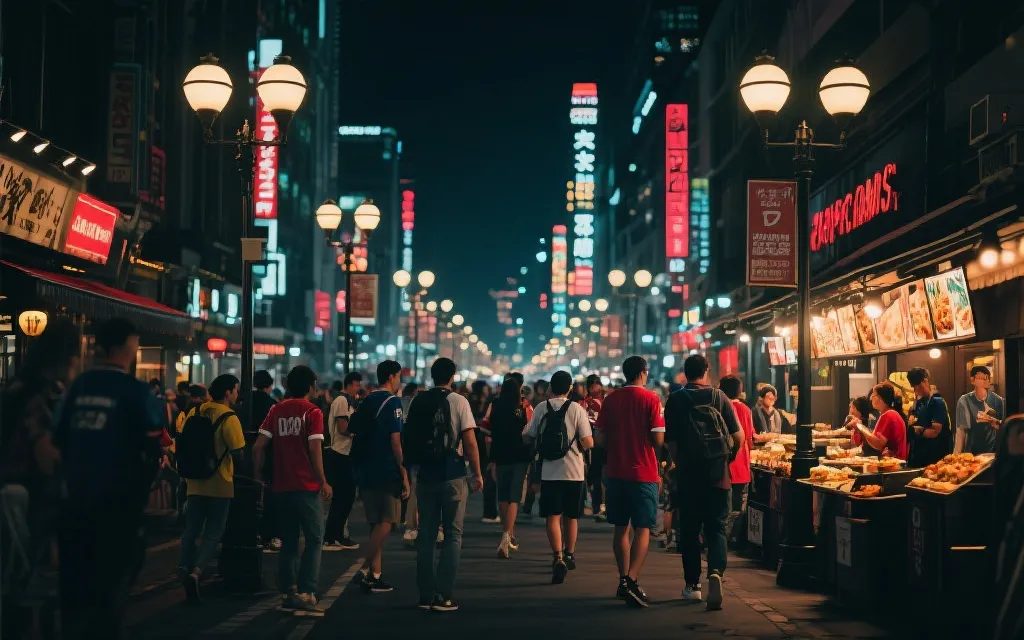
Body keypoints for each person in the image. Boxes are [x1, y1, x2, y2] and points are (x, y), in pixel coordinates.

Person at [52, 318, 165, 639]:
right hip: (119, 509)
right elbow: (153, 443)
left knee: (74, 594)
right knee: (109, 597)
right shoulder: (137, 392)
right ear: (125, 346)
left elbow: (57, 440)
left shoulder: (79, 387)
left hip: (72, 507)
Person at [0, 318, 80, 640]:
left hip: (11, 494)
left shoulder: (14, 388)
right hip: (29, 499)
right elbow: (47, 457)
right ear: (65, 358)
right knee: (33, 584)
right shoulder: (41, 397)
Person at [663, 356, 743, 611]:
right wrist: (727, 458)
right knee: (717, 528)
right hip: (718, 475)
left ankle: (692, 586)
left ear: (685, 374)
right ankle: (716, 573)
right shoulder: (720, 398)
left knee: (688, 530)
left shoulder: (675, 400)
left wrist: (681, 464)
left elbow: (671, 443)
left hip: (689, 477)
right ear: (706, 372)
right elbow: (738, 435)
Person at [252, 365, 331, 613]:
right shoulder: (312, 412)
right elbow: (315, 449)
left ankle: (287, 591)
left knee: (288, 540)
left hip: (281, 485)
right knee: (314, 538)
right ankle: (307, 591)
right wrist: (324, 480)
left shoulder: (276, 409)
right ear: (310, 386)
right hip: (306, 486)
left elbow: (258, 447)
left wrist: (258, 477)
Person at [407, 358, 484, 612]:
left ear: (431, 376)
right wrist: (477, 473)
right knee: (452, 535)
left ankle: (424, 594)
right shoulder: (458, 401)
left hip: (425, 475)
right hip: (452, 473)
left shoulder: (418, 400)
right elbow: (470, 442)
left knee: (426, 535)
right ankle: (443, 595)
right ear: (452, 376)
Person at [594, 356, 665, 608]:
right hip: (643, 472)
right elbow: (658, 440)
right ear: (643, 373)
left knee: (620, 528)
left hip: (616, 471)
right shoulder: (651, 399)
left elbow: (599, 438)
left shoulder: (611, 399)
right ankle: (631, 580)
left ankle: (623, 578)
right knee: (643, 528)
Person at [177, 374, 244, 602]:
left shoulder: (195, 412)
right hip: (220, 483)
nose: (237, 394)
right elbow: (238, 451)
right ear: (227, 392)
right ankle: (196, 573)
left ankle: (183, 569)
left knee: (191, 529)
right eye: (235, 390)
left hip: (194, 482)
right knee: (214, 531)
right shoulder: (229, 417)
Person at [524, 370, 594, 584]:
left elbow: (528, 436)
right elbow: (589, 442)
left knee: (552, 516)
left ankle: (558, 557)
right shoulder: (577, 409)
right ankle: (570, 553)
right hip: (574, 472)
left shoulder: (540, 408)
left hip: (549, 472)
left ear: (550, 388)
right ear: (570, 388)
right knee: (571, 516)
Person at [349, 360, 408, 594]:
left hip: (364, 468)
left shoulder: (368, 399)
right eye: (398, 376)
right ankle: (364, 567)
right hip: (385, 468)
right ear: (392, 376)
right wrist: (404, 473)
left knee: (375, 523)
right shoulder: (393, 402)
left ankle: (375, 575)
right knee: (388, 521)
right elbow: (396, 441)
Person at [485, 372, 533, 558]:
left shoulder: (495, 405)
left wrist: (491, 459)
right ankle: (508, 534)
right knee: (514, 496)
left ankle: (506, 532)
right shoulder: (524, 406)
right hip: (520, 456)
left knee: (502, 495)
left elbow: (487, 429)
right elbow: (531, 430)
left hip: (500, 455)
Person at [324, 372, 363, 550]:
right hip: (339, 453)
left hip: (347, 454)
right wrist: (358, 433)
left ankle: (338, 535)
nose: (358, 389)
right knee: (342, 497)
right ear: (348, 384)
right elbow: (342, 428)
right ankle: (331, 538)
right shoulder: (341, 401)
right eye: (355, 385)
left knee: (346, 497)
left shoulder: (349, 402)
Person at [720, 374, 754, 547]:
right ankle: (733, 538)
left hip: (721, 465)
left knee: (721, 504)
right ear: (739, 390)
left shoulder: (718, 406)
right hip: (741, 465)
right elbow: (749, 438)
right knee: (738, 505)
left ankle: (720, 537)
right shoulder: (745, 410)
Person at [955, 365, 1005, 455]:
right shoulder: (964, 400)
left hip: (992, 453)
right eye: (981, 378)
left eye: (987, 378)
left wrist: (994, 422)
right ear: (972, 380)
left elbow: (1004, 427)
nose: (986, 380)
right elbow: (961, 431)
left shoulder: (998, 400)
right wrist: (956, 455)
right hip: (971, 453)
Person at [906, 367, 952, 467]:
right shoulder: (918, 403)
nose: (915, 390)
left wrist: (918, 431)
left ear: (925, 381)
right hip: (918, 458)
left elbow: (935, 431)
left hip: (934, 459)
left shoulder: (937, 402)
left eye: (916, 386)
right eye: (913, 387)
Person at [858, 382, 909, 460]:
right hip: (895, 461)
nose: (871, 398)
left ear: (881, 398)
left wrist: (861, 427)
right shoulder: (890, 413)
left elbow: (878, 444)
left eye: (873, 395)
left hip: (894, 463)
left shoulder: (888, 415)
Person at [583, 374, 606, 521]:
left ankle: (599, 504)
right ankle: (596, 504)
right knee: (594, 475)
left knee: (598, 474)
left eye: (595, 385)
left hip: (599, 442)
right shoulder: (588, 403)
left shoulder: (600, 401)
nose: (593, 388)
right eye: (590, 386)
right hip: (592, 442)